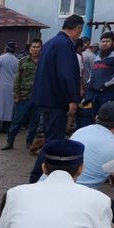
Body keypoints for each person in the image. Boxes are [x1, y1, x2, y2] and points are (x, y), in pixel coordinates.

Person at [29, 14, 83, 182]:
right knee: (54, 139)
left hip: (45, 98)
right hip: (56, 101)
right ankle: (37, 174)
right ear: (77, 29)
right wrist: (72, 99)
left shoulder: (51, 42)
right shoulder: (65, 45)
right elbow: (66, 74)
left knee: (51, 136)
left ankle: (46, 173)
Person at [3, 38, 41, 150]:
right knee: (17, 121)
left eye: (38, 47)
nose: (35, 49)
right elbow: (17, 79)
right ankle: (10, 141)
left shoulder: (44, 62)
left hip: (38, 97)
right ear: (30, 49)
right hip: (24, 96)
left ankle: (29, 142)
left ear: (41, 48)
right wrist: (16, 94)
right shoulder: (23, 61)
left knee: (35, 122)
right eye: (33, 47)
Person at [85, 31, 114, 113]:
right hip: (94, 92)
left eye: (107, 41)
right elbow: (92, 72)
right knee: (93, 114)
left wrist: (104, 84)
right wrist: (89, 84)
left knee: (105, 115)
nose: (104, 44)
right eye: (103, 41)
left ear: (113, 42)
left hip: (108, 92)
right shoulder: (98, 56)